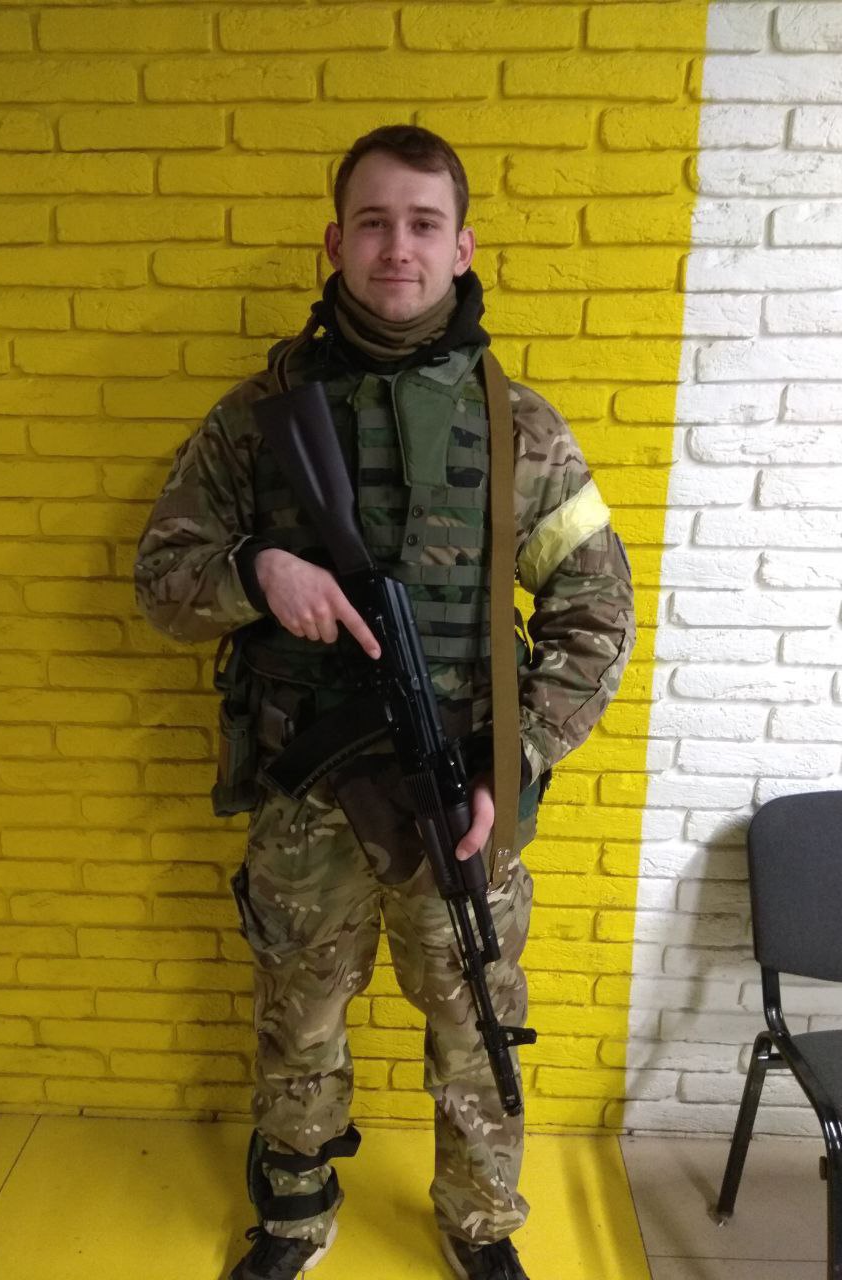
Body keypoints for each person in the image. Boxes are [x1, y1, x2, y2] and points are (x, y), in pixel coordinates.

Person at [135, 125, 635, 1280]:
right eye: (372, 222)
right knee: (297, 1016)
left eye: (421, 223)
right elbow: (162, 578)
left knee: (476, 1020)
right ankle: (295, 1213)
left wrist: (515, 762)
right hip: (305, 791)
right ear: (335, 242)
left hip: (459, 789)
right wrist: (257, 571)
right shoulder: (257, 418)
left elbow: (596, 613)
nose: (395, 247)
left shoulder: (521, 428)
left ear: (462, 248)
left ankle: (479, 1222)